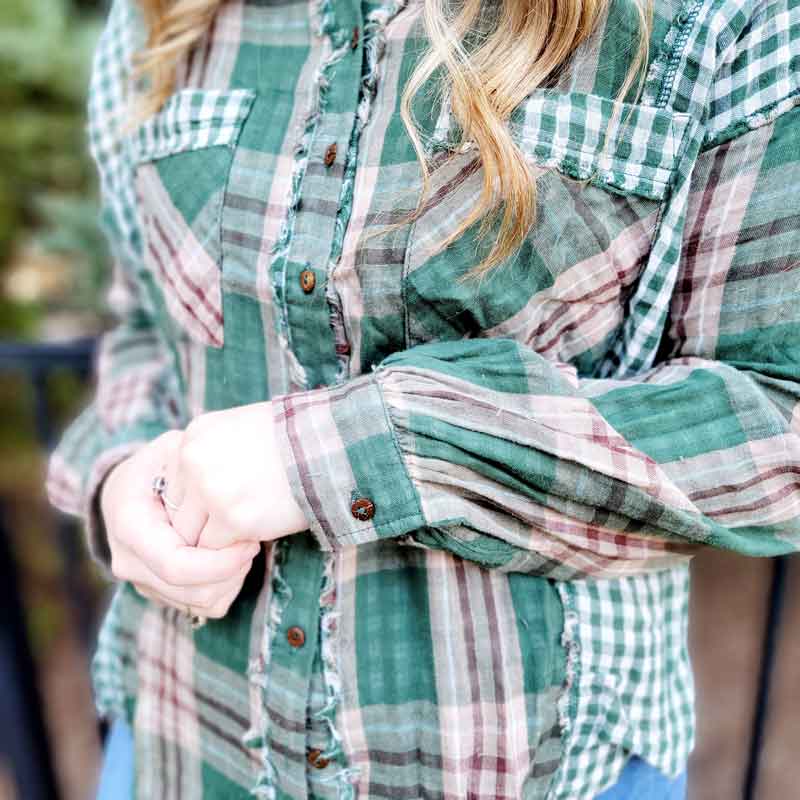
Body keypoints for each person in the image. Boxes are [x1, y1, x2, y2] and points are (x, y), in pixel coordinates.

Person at [45, 0, 799, 795]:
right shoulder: (160, 16)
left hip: (541, 766)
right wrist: (121, 478)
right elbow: (142, 325)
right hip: (180, 744)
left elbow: (777, 423)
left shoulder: (720, 16)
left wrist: (350, 446)